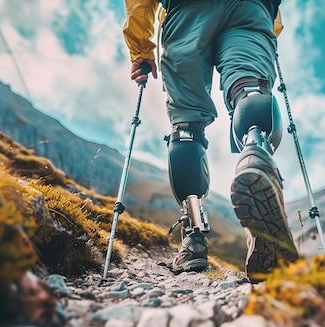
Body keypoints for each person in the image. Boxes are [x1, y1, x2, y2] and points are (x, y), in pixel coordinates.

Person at [123, 0, 299, 282]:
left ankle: (193, 236)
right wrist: (270, 25)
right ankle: (255, 152)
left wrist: (141, 49)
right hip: (251, 8)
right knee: (248, 87)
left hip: (187, 10)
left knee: (186, 125)